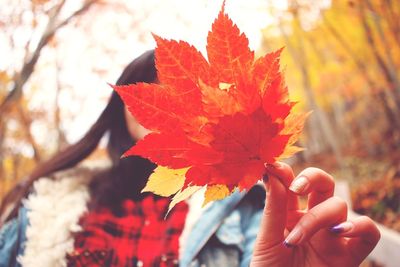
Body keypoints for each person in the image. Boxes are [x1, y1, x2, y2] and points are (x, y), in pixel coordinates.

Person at [0, 50, 380, 267]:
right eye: (146, 90)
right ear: (121, 108)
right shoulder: (45, 203)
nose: (164, 103)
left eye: (182, 96)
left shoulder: (249, 213)